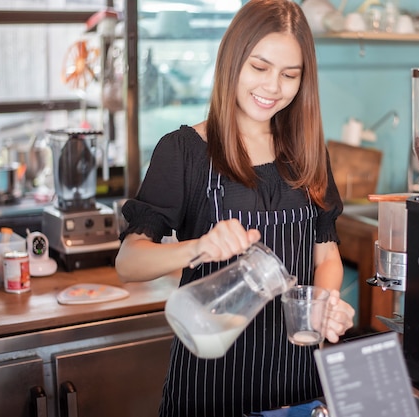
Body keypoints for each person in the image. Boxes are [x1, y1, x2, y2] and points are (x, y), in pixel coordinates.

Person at [115, 0, 355, 415]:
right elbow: (129, 261)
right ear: (232, 60)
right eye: (259, 68)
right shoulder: (184, 151)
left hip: (299, 385)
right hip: (212, 385)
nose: (273, 87)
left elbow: (327, 254)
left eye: (289, 74)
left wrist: (325, 306)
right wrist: (199, 247)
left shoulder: (308, 154)